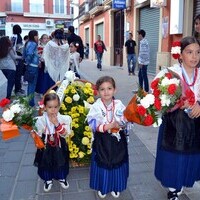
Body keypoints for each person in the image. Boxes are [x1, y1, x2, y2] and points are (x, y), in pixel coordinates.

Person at [154, 36, 200, 200]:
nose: (194, 57)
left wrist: (198, 104)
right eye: (189, 52)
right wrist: (172, 100)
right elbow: (156, 94)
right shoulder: (169, 73)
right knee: (174, 155)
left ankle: (184, 180)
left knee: (190, 154)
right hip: (175, 123)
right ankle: (174, 186)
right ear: (180, 54)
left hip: (195, 123)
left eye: (197, 52)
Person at [87, 76, 129, 199]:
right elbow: (92, 124)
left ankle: (117, 186)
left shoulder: (119, 104)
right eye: (102, 89)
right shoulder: (96, 106)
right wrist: (107, 126)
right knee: (103, 163)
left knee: (118, 162)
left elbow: (126, 119)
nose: (106, 92)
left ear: (115, 90)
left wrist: (123, 123)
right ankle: (103, 186)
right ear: (98, 91)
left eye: (109, 88)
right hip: (102, 140)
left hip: (117, 140)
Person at [32, 92, 72, 192]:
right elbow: (38, 134)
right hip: (46, 145)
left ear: (59, 106)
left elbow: (65, 133)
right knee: (45, 162)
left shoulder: (64, 118)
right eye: (50, 107)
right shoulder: (40, 120)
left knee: (60, 160)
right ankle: (48, 179)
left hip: (59, 144)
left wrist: (57, 124)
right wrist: (34, 134)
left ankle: (61, 177)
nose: (53, 110)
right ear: (45, 107)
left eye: (56, 107)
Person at [43, 29, 70, 93]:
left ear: (54, 35)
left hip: (51, 66)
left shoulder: (50, 44)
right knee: (60, 84)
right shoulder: (65, 45)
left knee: (50, 86)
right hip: (62, 67)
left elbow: (45, 55)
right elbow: (67, 56)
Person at [23, 30, 40, 106]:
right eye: (37, 35)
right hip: (33, 66)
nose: (38, 37)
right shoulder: (33, 44)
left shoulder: (27, 43)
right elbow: (30, 54)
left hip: (30, 66)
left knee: (30, 85)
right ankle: (31, 104)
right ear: (34, 36)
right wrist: (29, 62)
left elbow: (25, 54)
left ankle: (29, 102)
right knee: (32, 85)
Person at [10, 24, 25, 96]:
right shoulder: (18, 37)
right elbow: (20, 48)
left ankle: (17, 88)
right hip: (18, 58)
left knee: (16, 75)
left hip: (13, 57)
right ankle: (17, 89)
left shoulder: (12, 36)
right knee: (18, 75)